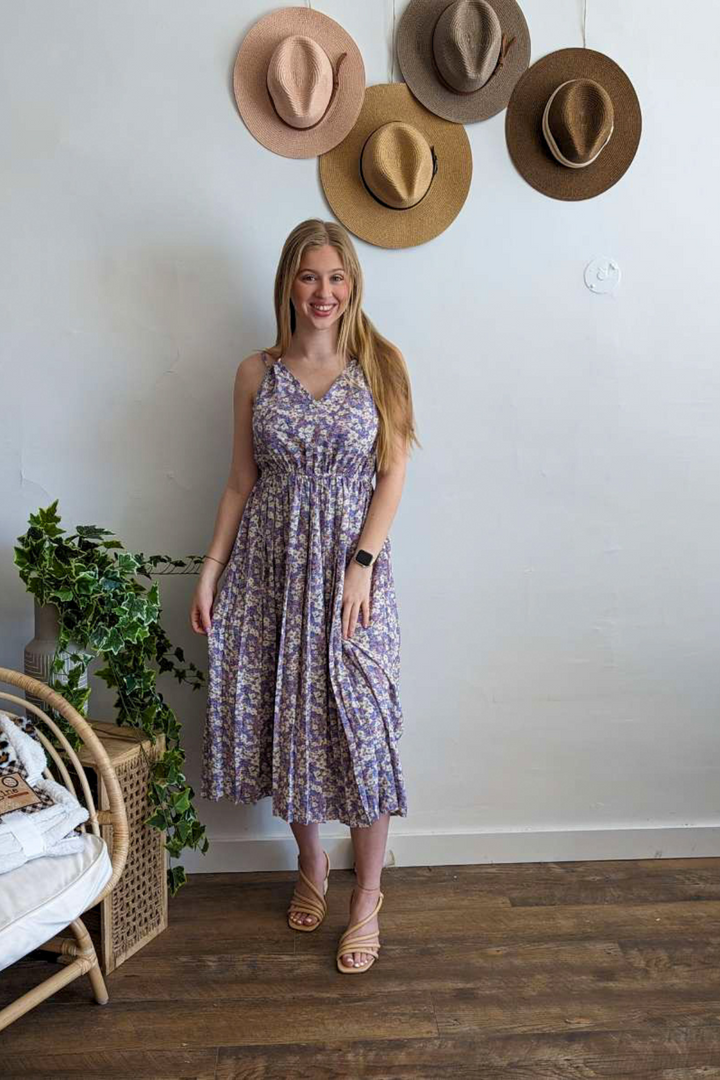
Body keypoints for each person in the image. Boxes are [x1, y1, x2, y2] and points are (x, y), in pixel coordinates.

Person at [190, 218, 419, 973]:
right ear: (289, 283)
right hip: (269, 571)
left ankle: (368, 895)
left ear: (353, 284)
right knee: (285, 719)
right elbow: (239, 480)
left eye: (337, 277)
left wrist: (361, 560)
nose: (324, 292)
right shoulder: (255, 373)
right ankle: (314, 862)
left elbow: (392, 475)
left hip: (352, 578)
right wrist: (211, 568)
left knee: (364, 726)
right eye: (309, 276)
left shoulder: (380, 364)